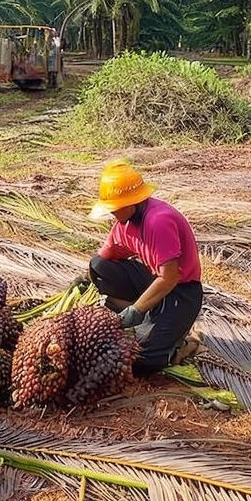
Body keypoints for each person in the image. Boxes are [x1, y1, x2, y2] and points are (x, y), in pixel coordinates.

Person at [86, 159, 203, 374]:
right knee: (99, 267)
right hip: (153, 279)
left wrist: (136, 310)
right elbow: (105, 256)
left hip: (180, 292)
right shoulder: (125, 223)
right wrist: (86, 278)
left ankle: (182, 345)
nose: (111, 214)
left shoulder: (158, 221)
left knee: (142, 360)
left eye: (115, 209)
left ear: (131, 204)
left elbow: (169, 278)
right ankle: (147, 319)